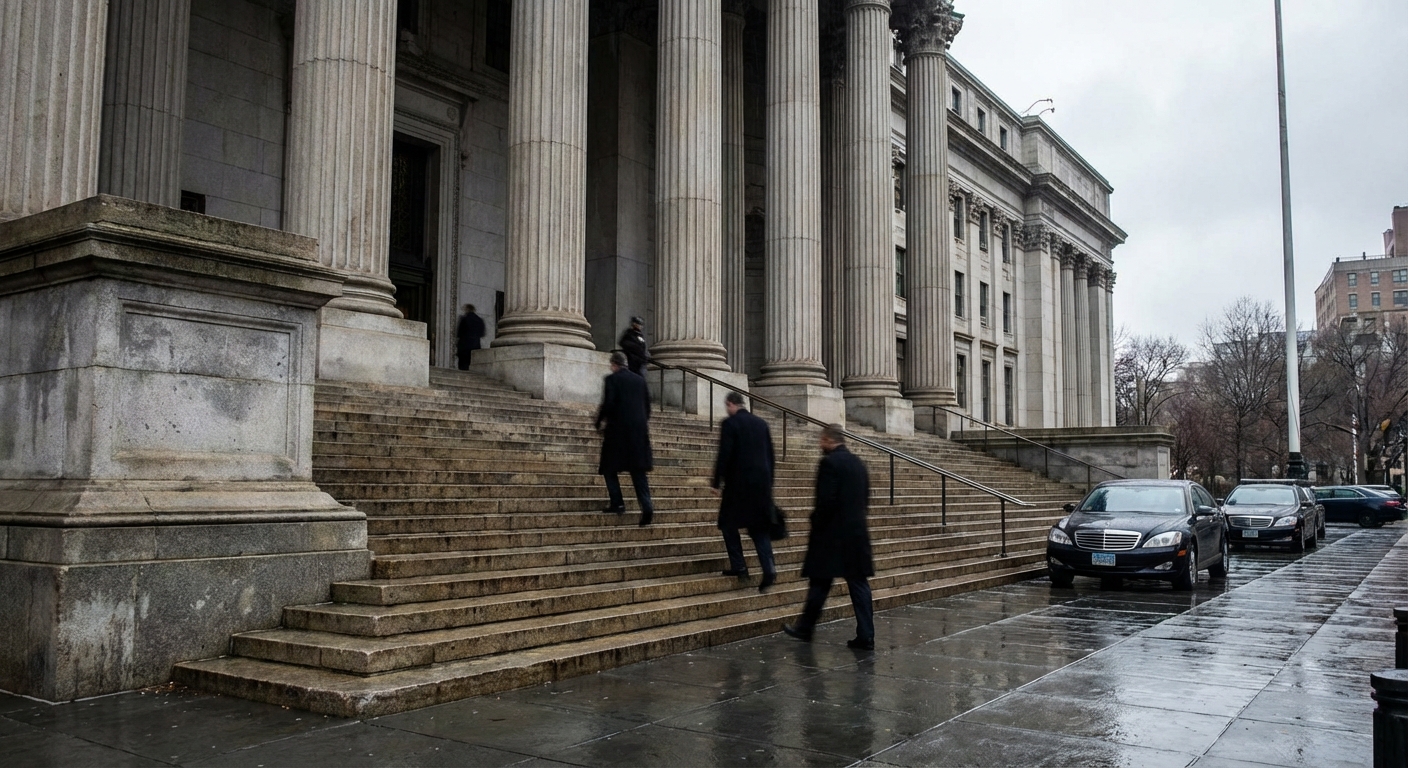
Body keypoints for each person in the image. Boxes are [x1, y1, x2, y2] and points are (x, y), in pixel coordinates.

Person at [783, 424, 875, 650]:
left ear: (828, 440)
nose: (819, 445)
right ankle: (866, 635)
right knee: (857, 584)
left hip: (832, 535)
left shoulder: (829, 463)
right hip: (856, 533)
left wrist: (815, 522)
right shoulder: (858, 464)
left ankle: (806, 627)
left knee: (820, 582)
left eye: (821, 440)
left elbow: (825, 501)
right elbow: (865, 498)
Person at [711, 391, 777, 592]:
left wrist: (716, 482)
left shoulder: (730, 424)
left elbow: (725, 454)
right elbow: (770, 456)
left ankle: (739, 565)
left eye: (727, 406)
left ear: (731, 404)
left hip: (738, 485)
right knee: (758, 528)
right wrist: (769, 482)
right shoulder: (761, 424)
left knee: (728, 524)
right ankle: (769, 567)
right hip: (761, 486)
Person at [596, 351, 654, 526]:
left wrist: (598, 422)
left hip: (617, 433)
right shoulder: (640, 380)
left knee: (608, 468)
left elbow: (609, 404)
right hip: (638, 434)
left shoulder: (612, 380)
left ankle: (618, 502)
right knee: (638, 473)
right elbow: (647, 407)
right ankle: (647, 506)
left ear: (614, 364)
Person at [456, 304, 486, 370]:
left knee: (463, 366)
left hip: (464, 346)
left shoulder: (464, 319)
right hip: (475, 345)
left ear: (467, 309)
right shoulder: (479, 320)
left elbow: (459, 333)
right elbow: (482, 334)